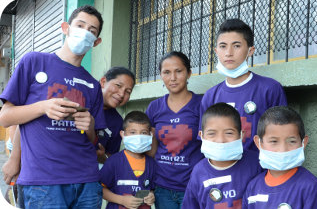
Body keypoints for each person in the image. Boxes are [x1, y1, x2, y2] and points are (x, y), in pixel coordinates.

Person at [0, 5, 106, 208]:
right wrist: (43, 107)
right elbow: (5, 117)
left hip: (88, 181)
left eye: (91, 31)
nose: (85, 33)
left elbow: (93, 141)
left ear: (97, 42)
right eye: (80, 25)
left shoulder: (92, 84)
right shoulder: (34, 62)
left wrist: (90, 126)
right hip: (43, 182)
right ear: (65, 27)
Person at [200, 19, 287, 153]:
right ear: (216, 51)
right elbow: (206, 141)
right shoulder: (210, 96)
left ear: (250, 50)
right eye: (223, 46)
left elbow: (281, 137)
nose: (228, 52)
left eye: (236, 46)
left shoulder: (269, 89)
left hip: (258, 170)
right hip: (222, 170)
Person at [145, 51, 203, 209]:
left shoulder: (202, 105)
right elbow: (151, 150)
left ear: (189, 73)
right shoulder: (154, 107)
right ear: (161, 75)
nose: (173, 78)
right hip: (162, 187)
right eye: (167, 72)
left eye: (179, 71)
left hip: (192, 186)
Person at [242, 106, 317, 208]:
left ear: (303, 143)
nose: (283, 149)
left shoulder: (311, 187)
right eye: (274, 141)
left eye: (292, 141)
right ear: (258, 143)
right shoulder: (253, 187)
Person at [182, 103, 262, 208]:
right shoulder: (198, 172)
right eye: (211, 133)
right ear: (201, 136)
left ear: (241, 135)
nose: (220, 140)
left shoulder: (257, 163)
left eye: (229, 133)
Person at [100, 111, 156, 209]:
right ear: (123, 134)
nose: (138, 137)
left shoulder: (151, 164)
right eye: (133, 132)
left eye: (143, 133)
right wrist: (121, 200)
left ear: (150, 135)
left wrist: (151, 196)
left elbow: (151, 188)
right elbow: (99, 189)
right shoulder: (113, 162)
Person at [96, 67, 135, 164]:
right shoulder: (82, 103)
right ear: (103, 82)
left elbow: (111, 156)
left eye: (128, 91)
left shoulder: (117, 122)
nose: (122, 94)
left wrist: (102, 157)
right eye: (118, 85)